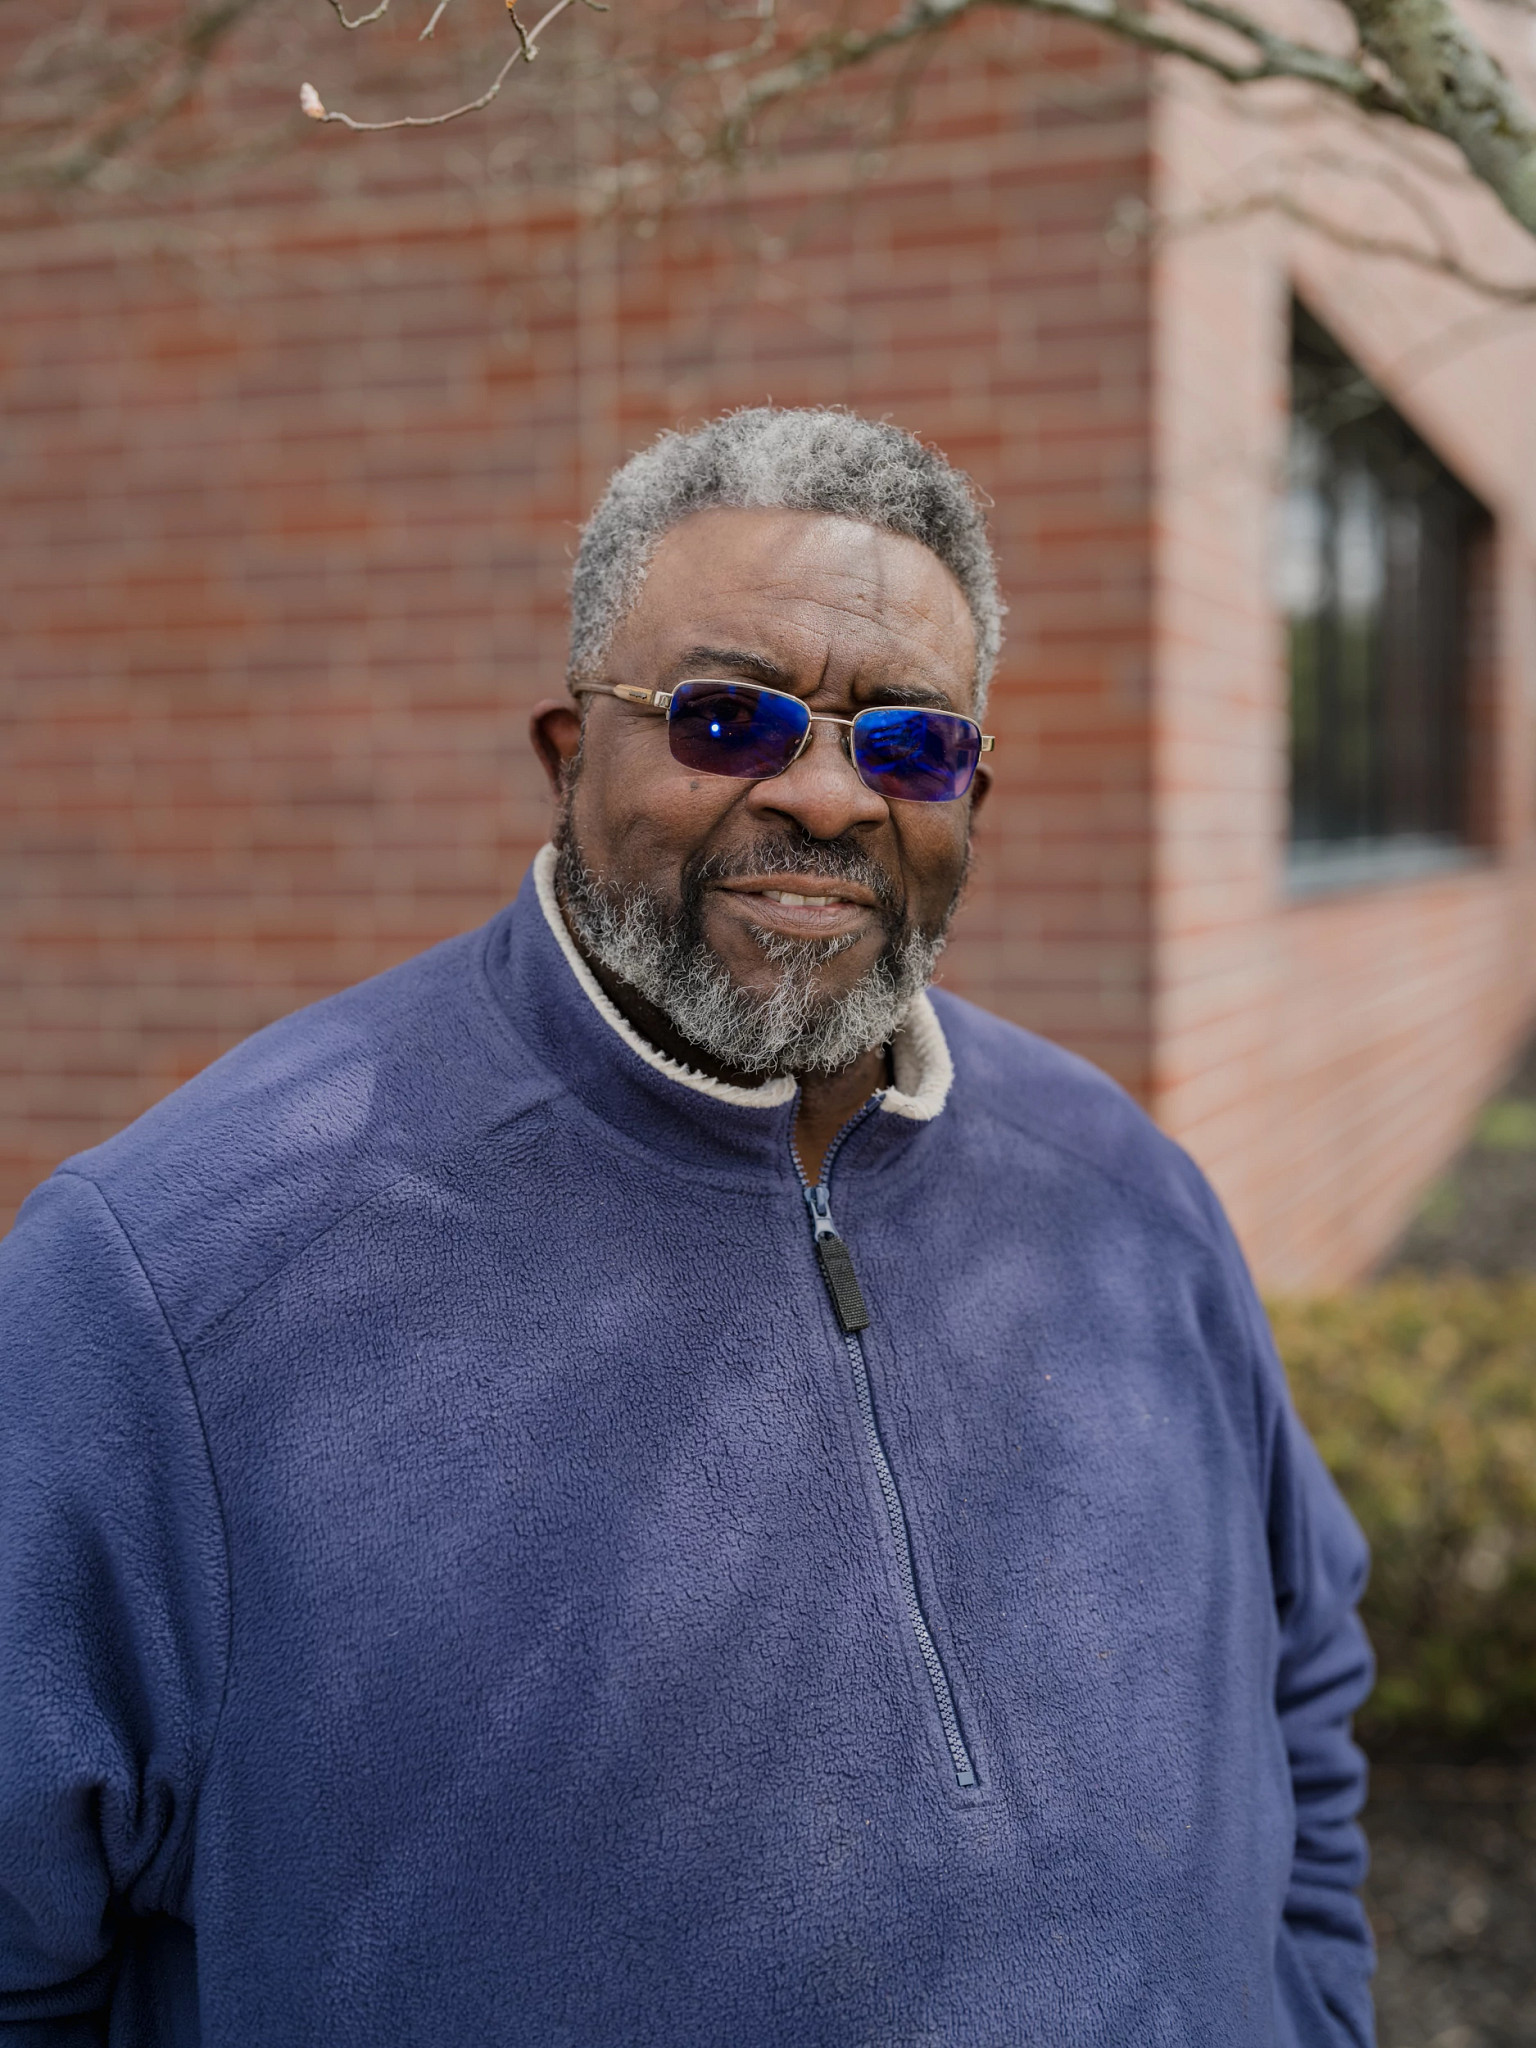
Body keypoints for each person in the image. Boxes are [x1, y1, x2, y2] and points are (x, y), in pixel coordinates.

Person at [0, 408, 1373, 2048]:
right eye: (730, 718)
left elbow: (1306, 1686)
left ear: (972, 794)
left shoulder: (1129, 1196)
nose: (829, 795)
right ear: (569, 755)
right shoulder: (172, 1281)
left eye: (909, 742)